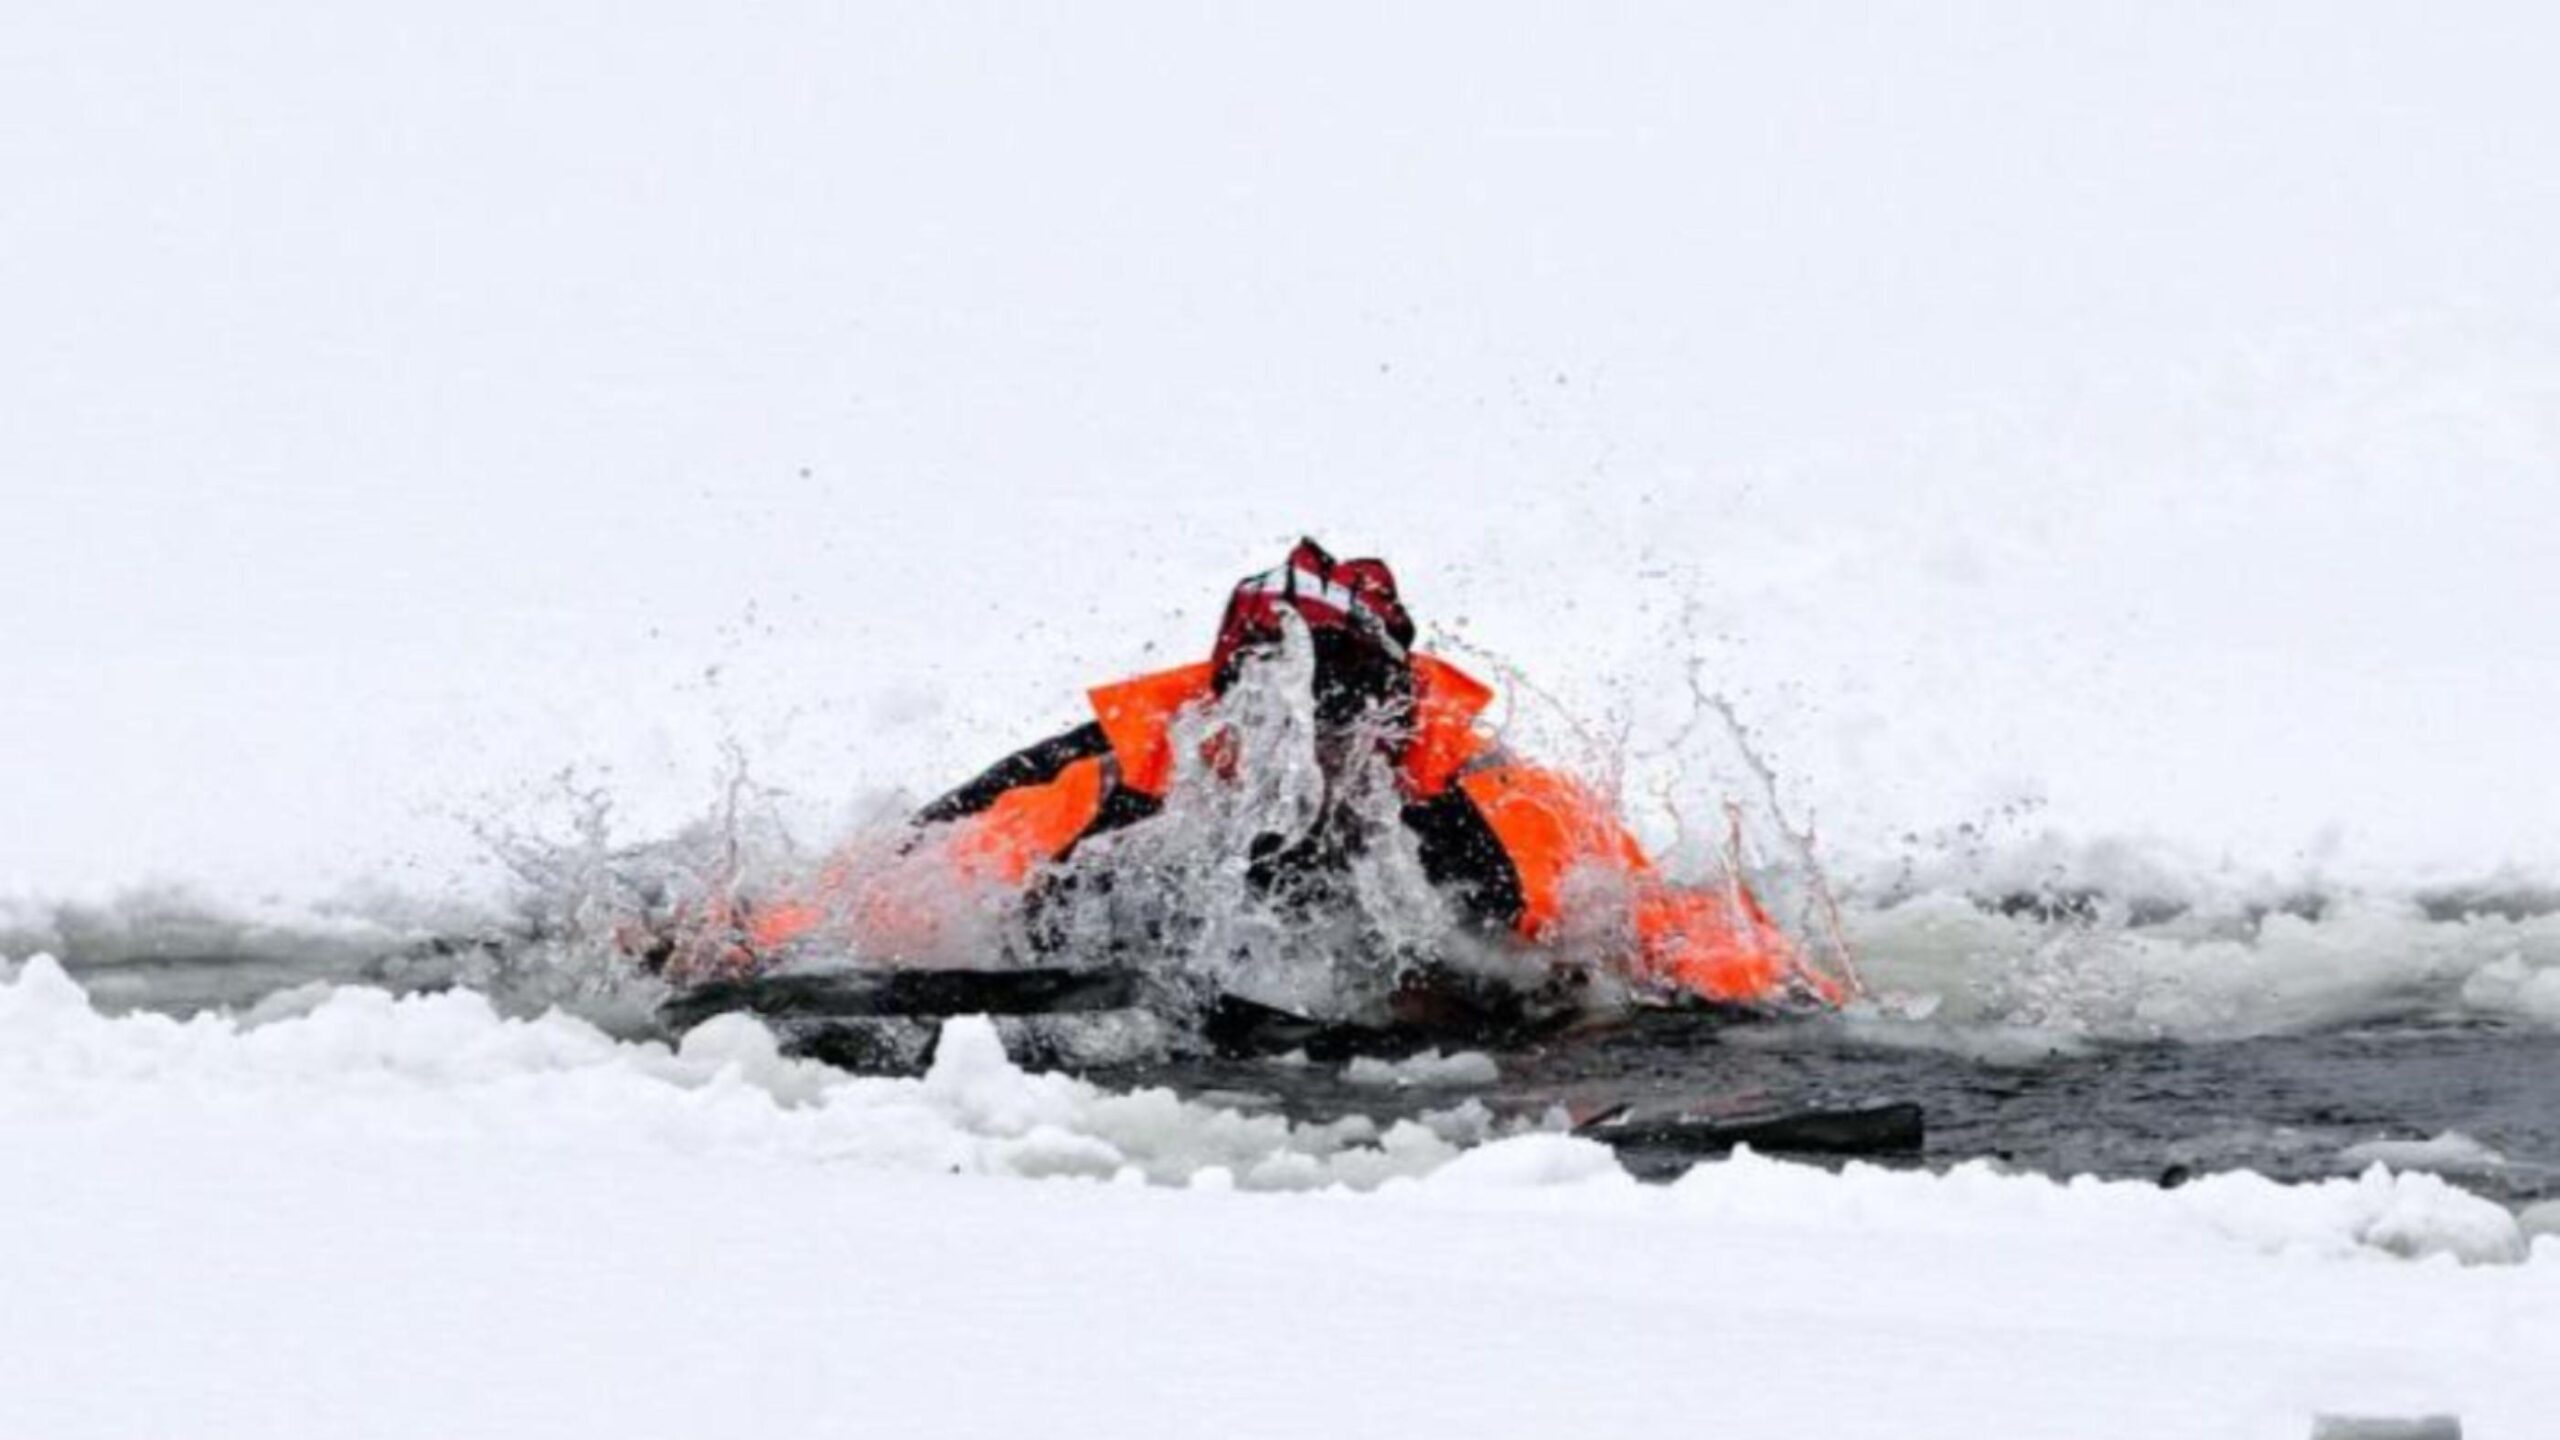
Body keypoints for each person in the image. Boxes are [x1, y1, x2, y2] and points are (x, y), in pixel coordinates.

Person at [710, 540, 1833, 1008]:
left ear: (1397, 710)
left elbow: (1660, 927)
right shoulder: (1114, 778)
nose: (1305, 740)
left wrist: (1784, 1007)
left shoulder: (1493, 810)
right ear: (1226, 696)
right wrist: (739, 947)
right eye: (1276, 704)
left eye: (1340, 709)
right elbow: (897, 890)